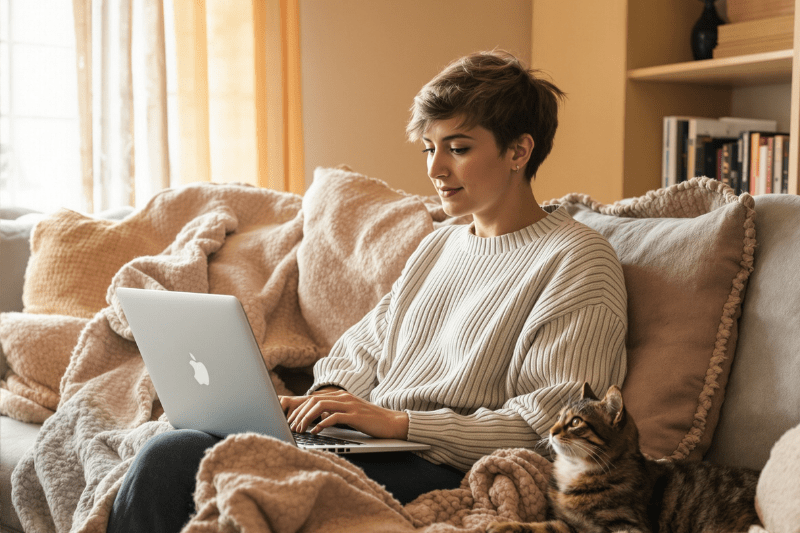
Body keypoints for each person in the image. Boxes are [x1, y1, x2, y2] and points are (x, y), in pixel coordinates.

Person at [107, 50, 627, 533]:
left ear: (519, 150)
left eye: (458, 148)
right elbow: (363, 345)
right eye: (429, 148)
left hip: (440, 465)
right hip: (375, 445)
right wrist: (328, 400)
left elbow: (548, 425)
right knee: (182, 441)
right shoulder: (440, 244)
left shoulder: (578, 260)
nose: (435, 169)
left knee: (174, 460)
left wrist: (400, 424)